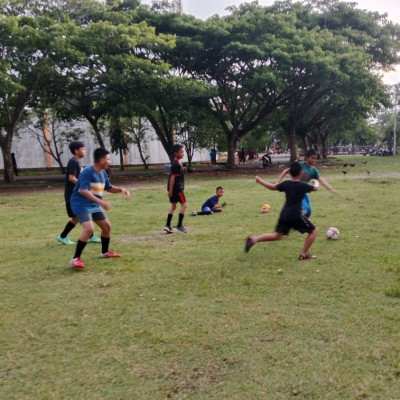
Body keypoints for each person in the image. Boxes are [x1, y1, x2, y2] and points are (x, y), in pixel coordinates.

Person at [69, 148, 130, 268]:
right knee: (89, 229)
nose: (109, 161)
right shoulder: (87, 171)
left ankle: (105, 252)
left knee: (106, 227)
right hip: (81, 204)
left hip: (94, 205)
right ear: (101, 160)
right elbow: (83, 191)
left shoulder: (103, 173)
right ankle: (75, 259)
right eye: (108, 159)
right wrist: (101, 203)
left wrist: (121, 189)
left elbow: (108, 187)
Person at [245, 161, 319, 259]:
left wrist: (260, 181)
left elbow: (273, 186)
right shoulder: (302, 185)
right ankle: (303, 254)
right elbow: (316, 188)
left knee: (277, 236)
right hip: (296, 215)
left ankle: (253, 240)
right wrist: (316, 181)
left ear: (290, 172)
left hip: (284, 214)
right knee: (313, 231)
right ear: (301, 173)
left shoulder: (286, 184)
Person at [57, 141, 101, 245]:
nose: (85, 151)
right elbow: (71, 178)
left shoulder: (77, 161)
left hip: (78, 195)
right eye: (83, 149)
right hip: (72, 196)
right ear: (76, 151)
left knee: (87, 212)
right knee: (76, 217)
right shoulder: (73, 162)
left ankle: (91, 236)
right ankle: (62, 236)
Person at [276, 149, 337, 217]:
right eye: (312, 158)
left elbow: (321, 180)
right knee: (302, 210)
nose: (314, 160)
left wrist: (330, 189)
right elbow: (286, 171)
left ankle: (301, 224)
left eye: (315, 158)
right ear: (307, 157)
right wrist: (278, 182)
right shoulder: (300, 165)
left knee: (308, 211)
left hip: (303, 192)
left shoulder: (313, 170)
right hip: (295, 191)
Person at [163, 143, 187, 234]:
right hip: (177, 189)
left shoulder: (177, 163)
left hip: (175, 188)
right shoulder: (176, 164)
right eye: (181, 152)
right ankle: (179, 226)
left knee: (174, 206)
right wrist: (171, 190)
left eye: (183, 152)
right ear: (176, 153)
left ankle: (167, 225)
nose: (183, 153)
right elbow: (173, 178)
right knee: (184, 205)